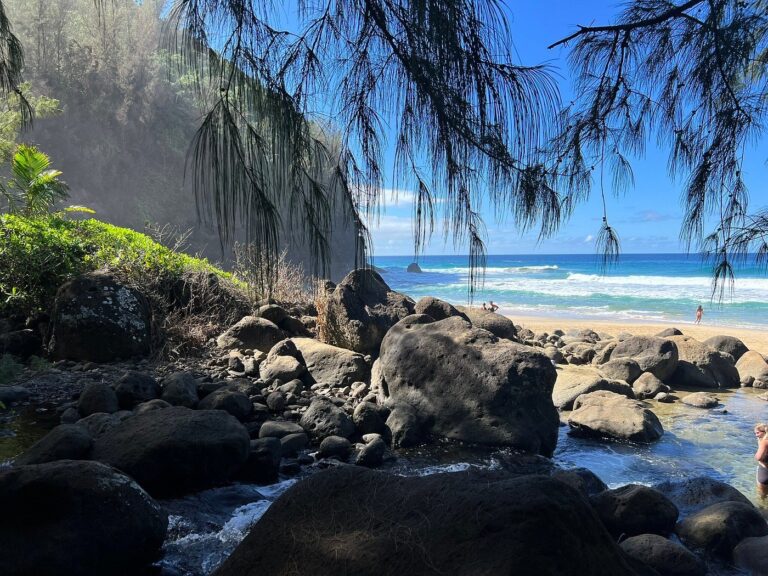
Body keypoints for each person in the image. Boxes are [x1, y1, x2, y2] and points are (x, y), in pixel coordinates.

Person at [755, 424, 768, 496]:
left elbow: (758, 457)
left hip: (765, 472)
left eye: (758, 433)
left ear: (764, 432)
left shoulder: (764, 442)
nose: (756, 435)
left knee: (762, 496)